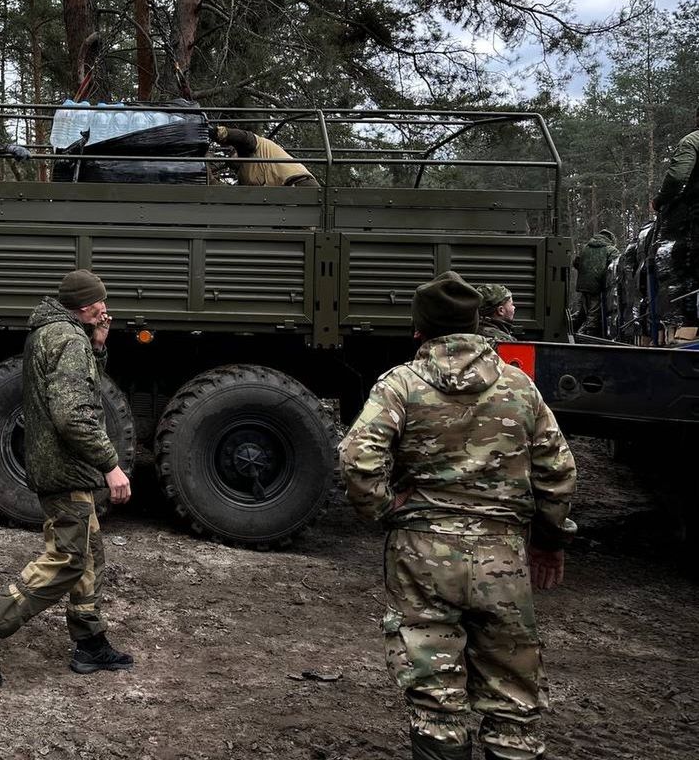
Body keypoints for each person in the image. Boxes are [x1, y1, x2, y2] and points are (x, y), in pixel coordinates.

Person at [338, 271, 577, 760]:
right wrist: (548, 541)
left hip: (422, 553)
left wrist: (384, 509)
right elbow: (559, 471)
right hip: (502, 556)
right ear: (478, 323)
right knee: (513, 697)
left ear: (419, 331)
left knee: (436, 698)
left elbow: (357, 458)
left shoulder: (400, 385)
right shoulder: (519, 385)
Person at [0, 270, 133, 689]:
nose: (106, 308)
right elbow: (73, 413)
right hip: (66, 467)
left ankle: (90, 644)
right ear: (86, 306)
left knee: (88, 552)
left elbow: (74, 386)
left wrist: (99, 347)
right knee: (68, 558)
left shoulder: (54, 333)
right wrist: (110, 464)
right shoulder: (68, 340)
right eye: (101, 302)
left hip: (56, 464)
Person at [211, 125, 319, 187]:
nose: (229, 160)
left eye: (231, 155)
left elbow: (245, 137)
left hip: (299, 184)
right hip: (282, 196)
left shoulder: (258, 145)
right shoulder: (244, 174)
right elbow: (236, 196)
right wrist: (211, 179)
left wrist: (224, 133)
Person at [571, 228, 619, 337]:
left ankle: (569, 328)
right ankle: (590, 335)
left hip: (583, 284)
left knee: (583, 310)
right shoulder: (611, 250)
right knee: (594, 311)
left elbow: (576, 263)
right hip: (598, 284)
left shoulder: (585, 248)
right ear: (610, 239)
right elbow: (615, 267)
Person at [651, 106, 699, 215]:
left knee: (665, 226)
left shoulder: (691, 141)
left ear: (697, 119)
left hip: (694, 210)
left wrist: (660, 200)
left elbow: (677, 177)